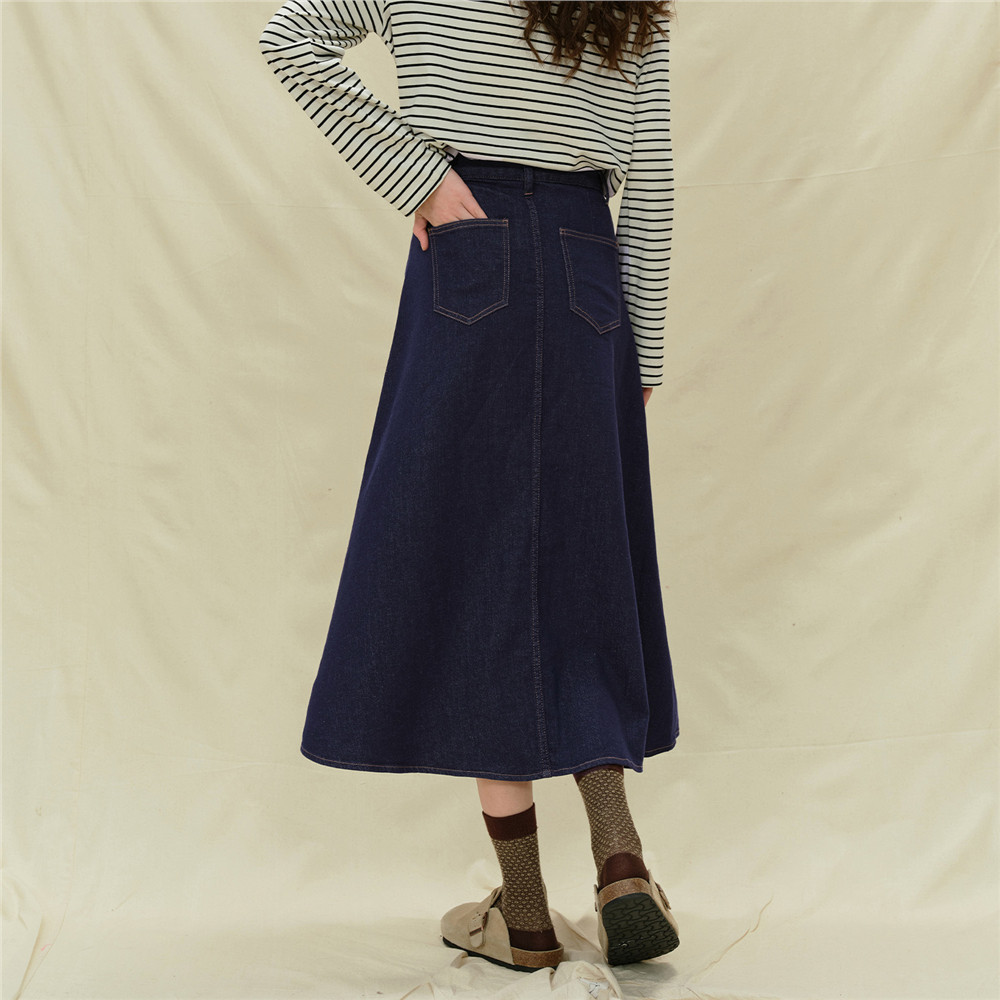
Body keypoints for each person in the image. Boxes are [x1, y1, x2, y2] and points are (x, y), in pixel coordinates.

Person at [258, 0, 680, 973]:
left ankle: (524, 914)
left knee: (479, 566)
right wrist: (644, 349)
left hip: (470, 251)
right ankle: (619, 859)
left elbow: (290, 35)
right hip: (588, 267)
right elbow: (652, 185)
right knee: (581, 562)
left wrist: (419, 176)